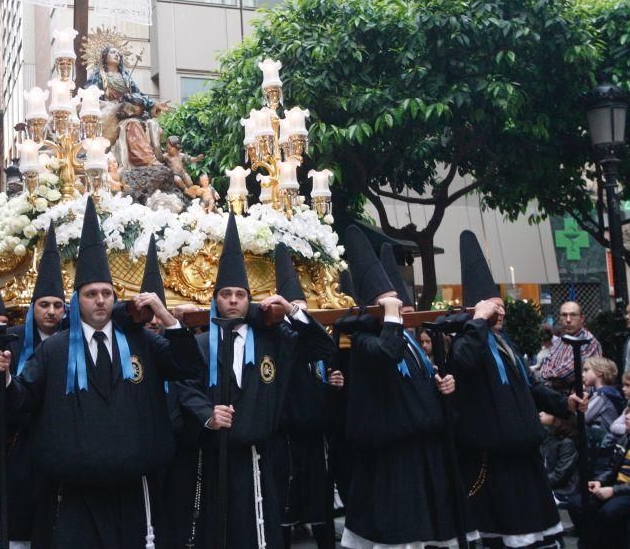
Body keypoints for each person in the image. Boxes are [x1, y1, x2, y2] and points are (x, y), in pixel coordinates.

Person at [0, 197, 203, 548]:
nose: (100, 300)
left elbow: (189, 368)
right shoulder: (53, 350)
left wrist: (167, 317)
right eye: (91, 294)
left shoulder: (142, 342)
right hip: (74, 495)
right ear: (77, 300)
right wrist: (6, 377)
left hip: (133, 491)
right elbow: (22, 402)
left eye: (106, 293)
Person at [175, 213, 336, 549]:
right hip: (215, 458)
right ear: (215, 299)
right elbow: (185, 385)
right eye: (226, 294)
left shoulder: (274, 341)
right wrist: (207, 413)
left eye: (240, 294)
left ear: (249, 300)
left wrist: (292, 312)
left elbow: (322, 347)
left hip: (260, 457)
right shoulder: (202, 344)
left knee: (261, 534)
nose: (233, 300)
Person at [451, 230, 587, 548]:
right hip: (493, 456)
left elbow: (532, 387)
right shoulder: (463, 341)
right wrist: (478, 323)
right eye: (492, 310)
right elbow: (463, 362)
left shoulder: (506, 343)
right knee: (504, 532)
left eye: (502, 308)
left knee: (536, 533)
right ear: (478, 312)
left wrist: (565, 403)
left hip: (525, 452)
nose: (501, 314)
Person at [340, 228, 469, 549]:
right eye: (394, 306)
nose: (401, 314)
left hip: (423, 449)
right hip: (391, 457)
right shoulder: (365, 341)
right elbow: (387, 353)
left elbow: (418, 380)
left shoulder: (410, 342)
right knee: (398, 536)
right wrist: (390, 313)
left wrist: (443, 385)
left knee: (426, 535)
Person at [0, 228, 65, 548]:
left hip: (61, 443)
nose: (52, 312)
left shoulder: (74, 343)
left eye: (58, 305)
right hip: (19, 446)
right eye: (45, 304)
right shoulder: (10, 338)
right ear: (33, 307)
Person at [270, 242, 341, 549]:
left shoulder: (315, 340)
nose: (300, 315)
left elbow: (325, 352)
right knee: (286, 505)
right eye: (294, 309)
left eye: (303, 309)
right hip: (286, 436)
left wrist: (332, 386)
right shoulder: (279, 338)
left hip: (316, 435)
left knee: (320, 504)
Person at [583, 399, 630, 547]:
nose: (627, 416)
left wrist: (613, 490)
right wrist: (600, 481)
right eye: (627, 412)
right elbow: (612, 468)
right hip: (617, 486)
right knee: (582, 502)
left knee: (610, 511)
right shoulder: (625, 439)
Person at [537, 300, 603, 393]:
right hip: (560, 397)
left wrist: (545, 377)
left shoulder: (588, 341)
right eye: (564, 315)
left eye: (573, 315)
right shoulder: (561, 339)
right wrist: (547, 376)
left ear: (582, 318)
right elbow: (548, 361)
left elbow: (567, 373)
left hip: (581, 399)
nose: (568, 320)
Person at [584, 356, 624, 465]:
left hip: (602, 444)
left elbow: (583, 417)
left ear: (600, 372)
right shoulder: (609, 392)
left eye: (586, 370)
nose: (583, 374)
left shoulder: (603, 395)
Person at [539, 411, 578, 508]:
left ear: (559, 419)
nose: (541, 413)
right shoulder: (549, 434)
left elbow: (560, 475)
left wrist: (537, 482)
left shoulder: (568, 442)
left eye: (547, 412)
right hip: (547, 482)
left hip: (563, 490)